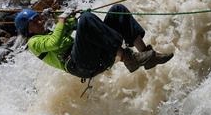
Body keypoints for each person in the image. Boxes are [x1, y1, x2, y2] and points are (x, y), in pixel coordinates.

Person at [14, 4, 174, 79]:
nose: (40, 21)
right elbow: (54, 43)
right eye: (35, 21)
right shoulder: (34, 43)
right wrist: (62, 20)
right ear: (28, 30)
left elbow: (72, 24)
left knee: (118, 11)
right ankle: (128, 58)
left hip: (89, 56)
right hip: (79, 65)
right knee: (86, 20)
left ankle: (146, 54)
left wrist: (63, 16)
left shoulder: (47, 32)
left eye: (39, 18)